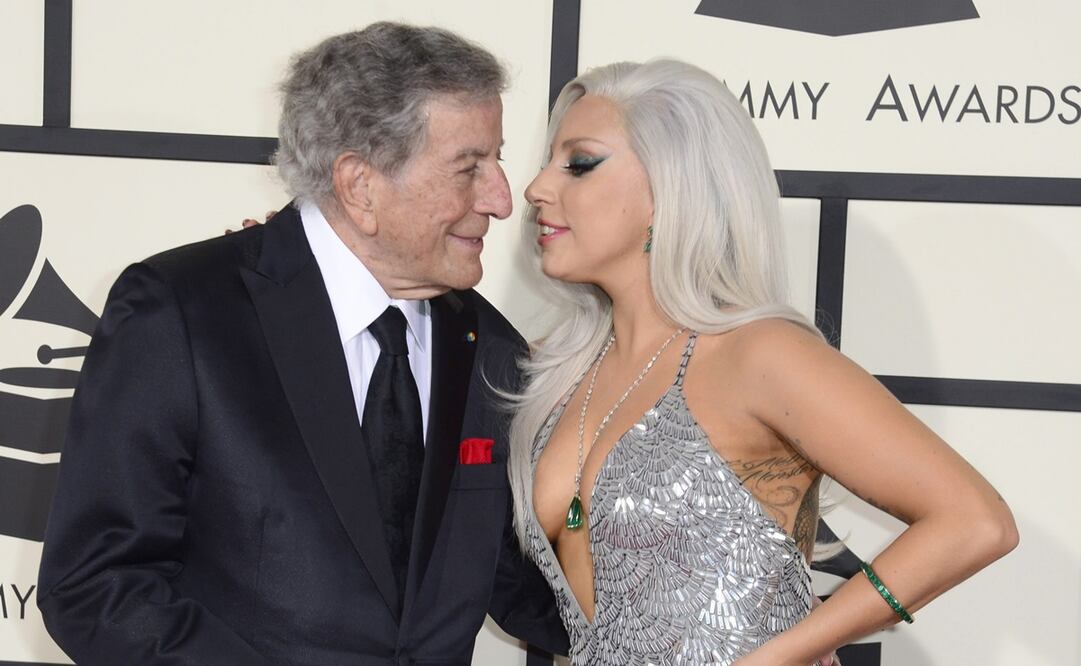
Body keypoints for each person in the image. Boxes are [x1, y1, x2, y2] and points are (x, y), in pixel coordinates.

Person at [37, 23, 566, 665]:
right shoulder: (182, 313)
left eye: (497, 161)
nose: (503, 199)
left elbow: (531, 591)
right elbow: (94, 585)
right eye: (469, 167)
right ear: (360, 185)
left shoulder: (492, 350)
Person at [508, 59, 1019, 665]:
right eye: (548, 162)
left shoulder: (757, 353)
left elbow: (975, 521)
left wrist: (787, 651)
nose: (537, 188)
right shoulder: (555, 372)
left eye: (579, 164)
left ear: (672, 186)